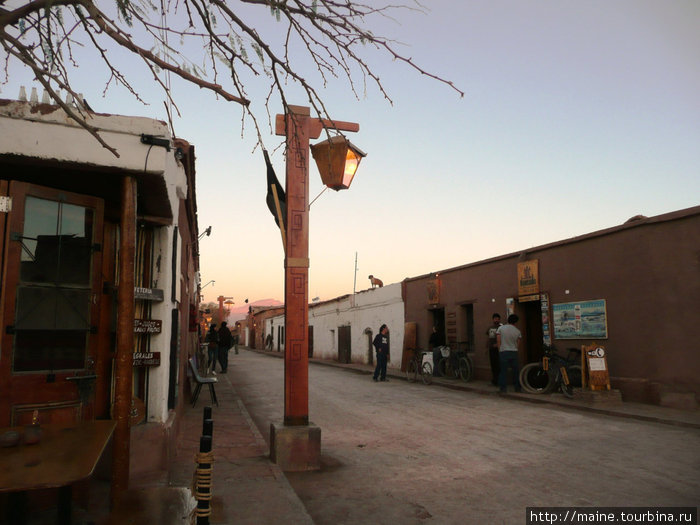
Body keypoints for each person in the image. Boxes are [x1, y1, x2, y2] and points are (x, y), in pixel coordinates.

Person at [496, 314, 522, 393]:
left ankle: (503, 388)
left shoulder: (501, 328)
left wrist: (499, 350)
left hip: (504, 351)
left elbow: (498, 340)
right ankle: (517, 387)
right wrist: (515, 349)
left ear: (508, 320)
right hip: (513, 352)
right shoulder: (517, 331)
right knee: (515, 371)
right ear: (516, 322)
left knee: (503, 371)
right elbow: (518, 343)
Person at [486, 313, 502, 385]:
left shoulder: (501, 327)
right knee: (493, 365)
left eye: (497, 318)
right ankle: (494, 380)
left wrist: (498, 344)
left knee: (499, 365)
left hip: (499, 349)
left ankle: (500, 380)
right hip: (491, 349)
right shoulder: (490, 328)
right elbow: (489, 337)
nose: (496, 320)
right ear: (493, 319)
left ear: (499, 319)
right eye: (494, 318)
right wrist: (487, 347)